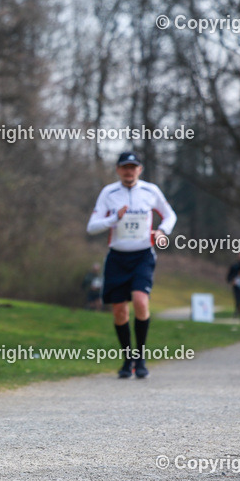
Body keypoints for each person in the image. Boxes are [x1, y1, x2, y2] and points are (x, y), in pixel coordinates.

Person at [86, 152, 176, 379]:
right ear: (117, 169)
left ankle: (141, 357)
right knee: (119, 311)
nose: (129, 171)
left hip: (143, 255)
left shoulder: (150, 190)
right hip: (117, 257)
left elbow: (170, 216)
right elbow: (92, 227)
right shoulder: (109, 193)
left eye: (133, 167)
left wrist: (162, 231)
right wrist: (113, 219)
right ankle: (128, 359)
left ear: (140, 169)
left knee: (140, 300)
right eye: (125, 167)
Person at [226, 251, 240, 320]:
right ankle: (237, 312)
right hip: (237, 285)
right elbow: (230, 275)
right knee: (238, 299)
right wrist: (231, 280)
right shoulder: (235, 265)